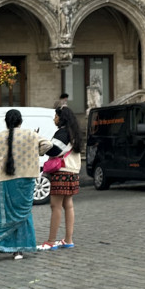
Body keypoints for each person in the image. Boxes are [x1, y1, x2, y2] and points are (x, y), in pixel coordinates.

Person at [0, 110, 51, 263]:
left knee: (3, 214)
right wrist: (36, 152)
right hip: (27, 179)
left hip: (7, 180)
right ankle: (18, 250)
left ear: (6, 122)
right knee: (23, 214)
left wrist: (0, 168)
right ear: (20, 121)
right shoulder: (31, 134)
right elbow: (48, 144)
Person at [39, 106, 83, 251]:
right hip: (73, 171)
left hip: (61, 172)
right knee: (68, 205)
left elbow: (54, 150)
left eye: (56, 116)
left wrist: (41, 143)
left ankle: (51, 241)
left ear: (61, 118)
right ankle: (68, 240)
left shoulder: (62, 132)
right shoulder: (74, 132)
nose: (54, 119)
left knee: (55, 205)